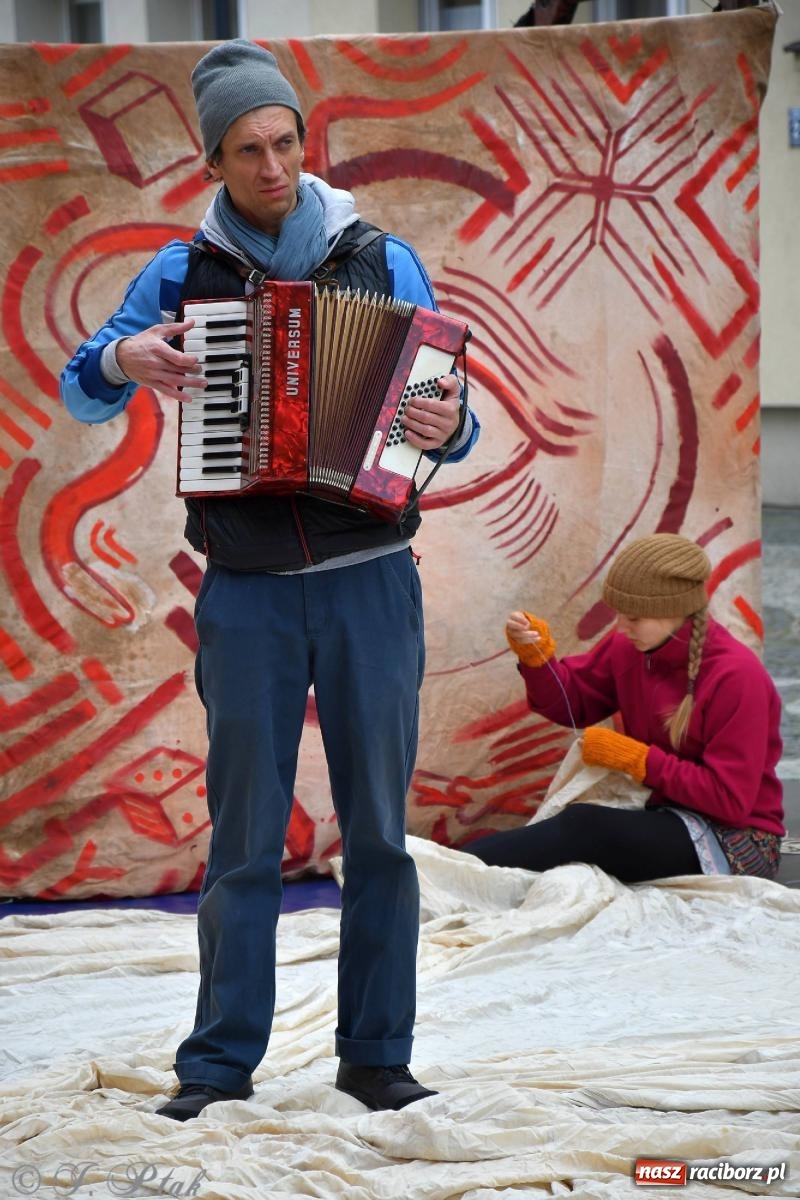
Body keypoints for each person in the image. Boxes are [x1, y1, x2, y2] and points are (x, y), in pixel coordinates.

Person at [60, 39, 480, 1121]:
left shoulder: (380, 258)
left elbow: (449, 417)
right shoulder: (174, 274)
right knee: (242, 836)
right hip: (244, 588)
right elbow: (83, 387)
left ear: (305, 140)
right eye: (248, 149)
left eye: (286, 141)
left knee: (379, 834)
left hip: (370, 581)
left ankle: (375, 1057)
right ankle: (215, 1069)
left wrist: (449, 422)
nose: (274, 165)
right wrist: (124, 361)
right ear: (213, 160)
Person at [465, 534, 784, 883]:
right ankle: (445, 869)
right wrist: (537, 661)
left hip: (739, 841)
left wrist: (639, 760)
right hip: (665, 812)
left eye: (634, 618)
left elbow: (729, 801)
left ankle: (443, 869)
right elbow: (573, 704)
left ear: (674, 611)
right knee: (577, 836)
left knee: (585, 827)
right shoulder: (628, 647)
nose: (621, 627)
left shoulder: (736, 676)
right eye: (619, 615)